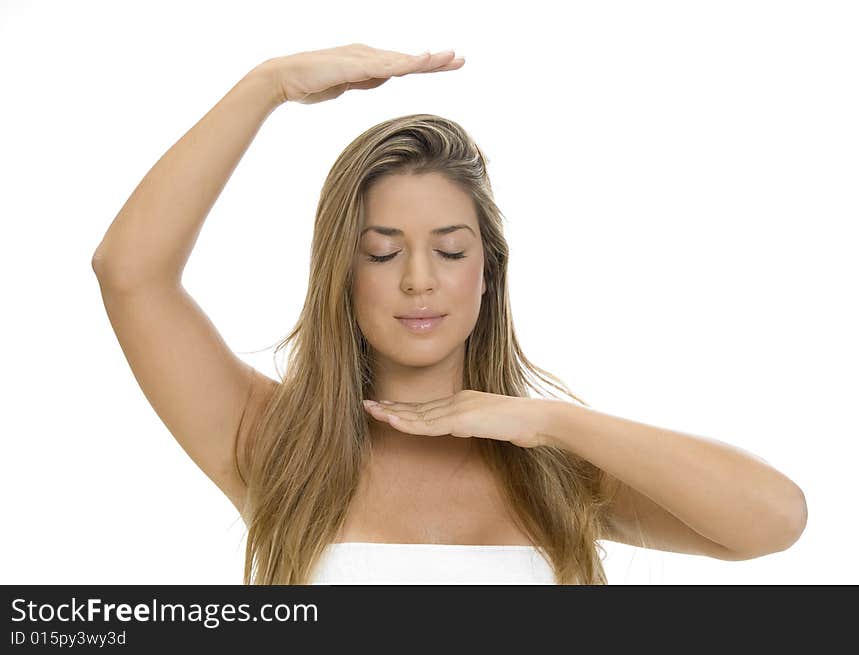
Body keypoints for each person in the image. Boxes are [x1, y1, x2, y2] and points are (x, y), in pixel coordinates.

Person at [91, 43, 808, 585]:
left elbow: (775, 520)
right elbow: (129, 272)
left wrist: (549, 421)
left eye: (450, 250)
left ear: (488, 272)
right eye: (380, 252)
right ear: (341, 274)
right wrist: (267, 84)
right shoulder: (278, 444)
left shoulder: (557, 469)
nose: (417, 281)